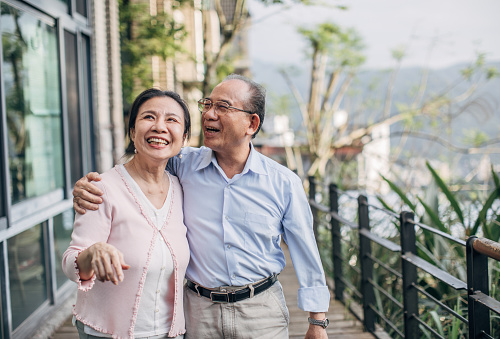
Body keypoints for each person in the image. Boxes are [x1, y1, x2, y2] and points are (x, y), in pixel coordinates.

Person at [73, 74, 330, 339]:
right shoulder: (183, 163)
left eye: (223, 107)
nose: (209, 115)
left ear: (251, 124)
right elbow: (141, 167)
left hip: (260, 310)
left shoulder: (283, 183)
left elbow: (305, 251)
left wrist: (317, 321)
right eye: (207, 105)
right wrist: (88, 185)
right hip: (198, 310)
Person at [63, 88, 191, 339]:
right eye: (148, 117)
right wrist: (92, 253)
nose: (159, 127)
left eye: (172, 120)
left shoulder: (183, 188)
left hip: (171, 333)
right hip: (107, 333)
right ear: (132, 132)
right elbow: (71, 263)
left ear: (184, 138)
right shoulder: (101, 188)